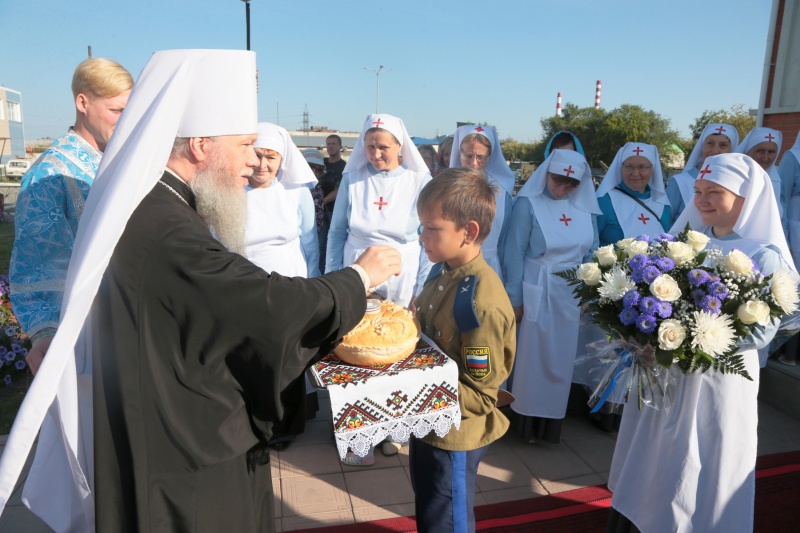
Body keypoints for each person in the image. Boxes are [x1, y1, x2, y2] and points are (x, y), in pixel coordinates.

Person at [0, 49, 402, 533]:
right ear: (200, 145)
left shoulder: (158, 202)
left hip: (162, 416)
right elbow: (268, 310)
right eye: (246, 144)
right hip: (184, 452)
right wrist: (359, 277)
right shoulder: (166, 228)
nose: (254, 162)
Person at [607, 153, 795, 533]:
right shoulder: (687, 244)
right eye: (698, 191)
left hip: (718, 383)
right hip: (668, 376)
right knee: (656, 453)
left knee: (701, 459)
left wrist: (685, 341)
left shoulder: (764, 254)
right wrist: (646, 335)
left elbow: (761, 333)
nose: (702, 200)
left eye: (714, 192)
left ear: (746, 198)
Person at [9, 57, 132, 376]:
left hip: (131, 320)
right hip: (86, 334)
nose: (125, 120)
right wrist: (46, 334)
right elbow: (37, 262)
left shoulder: (119, 164)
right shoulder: (50, 173)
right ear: (83, 102)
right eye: (117, 110)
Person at [411, 167, 516, 533]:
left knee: (447, 520)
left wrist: (411, 383)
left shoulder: (480, 303)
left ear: (468, 231)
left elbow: (479, 395)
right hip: (428, 421)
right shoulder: (444, 271)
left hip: (453, 435)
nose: (422, 236)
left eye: (432, 227)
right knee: (429, 511)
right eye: (421, 225)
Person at [503, 149, 600, 444]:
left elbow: (593, 253)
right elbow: (514, 253)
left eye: (571, 185)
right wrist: (515, 298)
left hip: (571, 293)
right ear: (546, 173)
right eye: (558, 181)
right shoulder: (527, 204)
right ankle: (525, 423)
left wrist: (589, 291)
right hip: (538, 285)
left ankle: (550, 426)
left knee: (562, 357)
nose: (563, 189)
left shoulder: (585, 208)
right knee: (533, 358)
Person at [326, 113, 432, 307]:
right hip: (358, 269)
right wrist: (332, 277)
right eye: (370, 147)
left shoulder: (419, 181)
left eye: (383, 147)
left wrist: (423, 288)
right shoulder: (352, 179)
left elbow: (429, 239)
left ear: (399, 145)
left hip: (402, 273)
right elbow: (336, 232)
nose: (375, 155)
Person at [244, 122, 320, 278]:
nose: (262, 165)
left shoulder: (297, 189)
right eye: (257, 155)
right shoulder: (229, 189)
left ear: (281, 159)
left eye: (271, 157)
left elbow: (310, 241)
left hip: (289, 277)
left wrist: (313, 280)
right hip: (243, 279)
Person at [449, 124, 515, 282]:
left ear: (490, 157)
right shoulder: (446, 186)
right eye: (468, 156)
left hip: (489, 264)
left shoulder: (502, 191)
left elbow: (506, 239)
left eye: (481, 157)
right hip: (453, 265)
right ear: (459, 153)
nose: (474, 163)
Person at [596, 142, 671, 245]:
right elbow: (590, 244)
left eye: (642, 167)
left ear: (652, 169)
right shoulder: (605, 201)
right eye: (629, 166)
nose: (635, 173)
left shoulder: (662, 204)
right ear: (621, 167)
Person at [665, 122, 738, 220]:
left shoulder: (736, 184)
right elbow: (665, 223)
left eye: (723, 145)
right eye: (710, 144)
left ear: (731, 150)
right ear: (702, 146)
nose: (715, 150)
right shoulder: (679, 182)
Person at [737, 127, 785, 230]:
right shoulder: (735, 177)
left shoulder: (775, 180)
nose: (765, 158)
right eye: (760, 151)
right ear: (747, 151)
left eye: (771, 152)